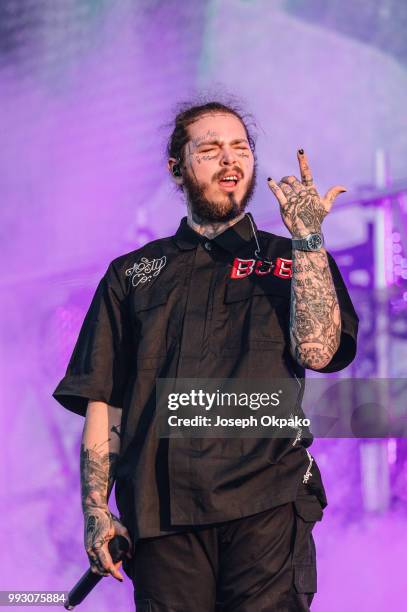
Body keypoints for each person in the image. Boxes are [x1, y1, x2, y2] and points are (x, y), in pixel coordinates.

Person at [52, 100, 359, 611]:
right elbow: (103, 398)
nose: (229, 160)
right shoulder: (133, 274)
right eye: (211, 149)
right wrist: (94, 509)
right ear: (177, 167)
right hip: (162, 517)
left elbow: (320, 350)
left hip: (268, 505)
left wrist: (308, 238)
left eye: (240, 148)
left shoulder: (291, 257)